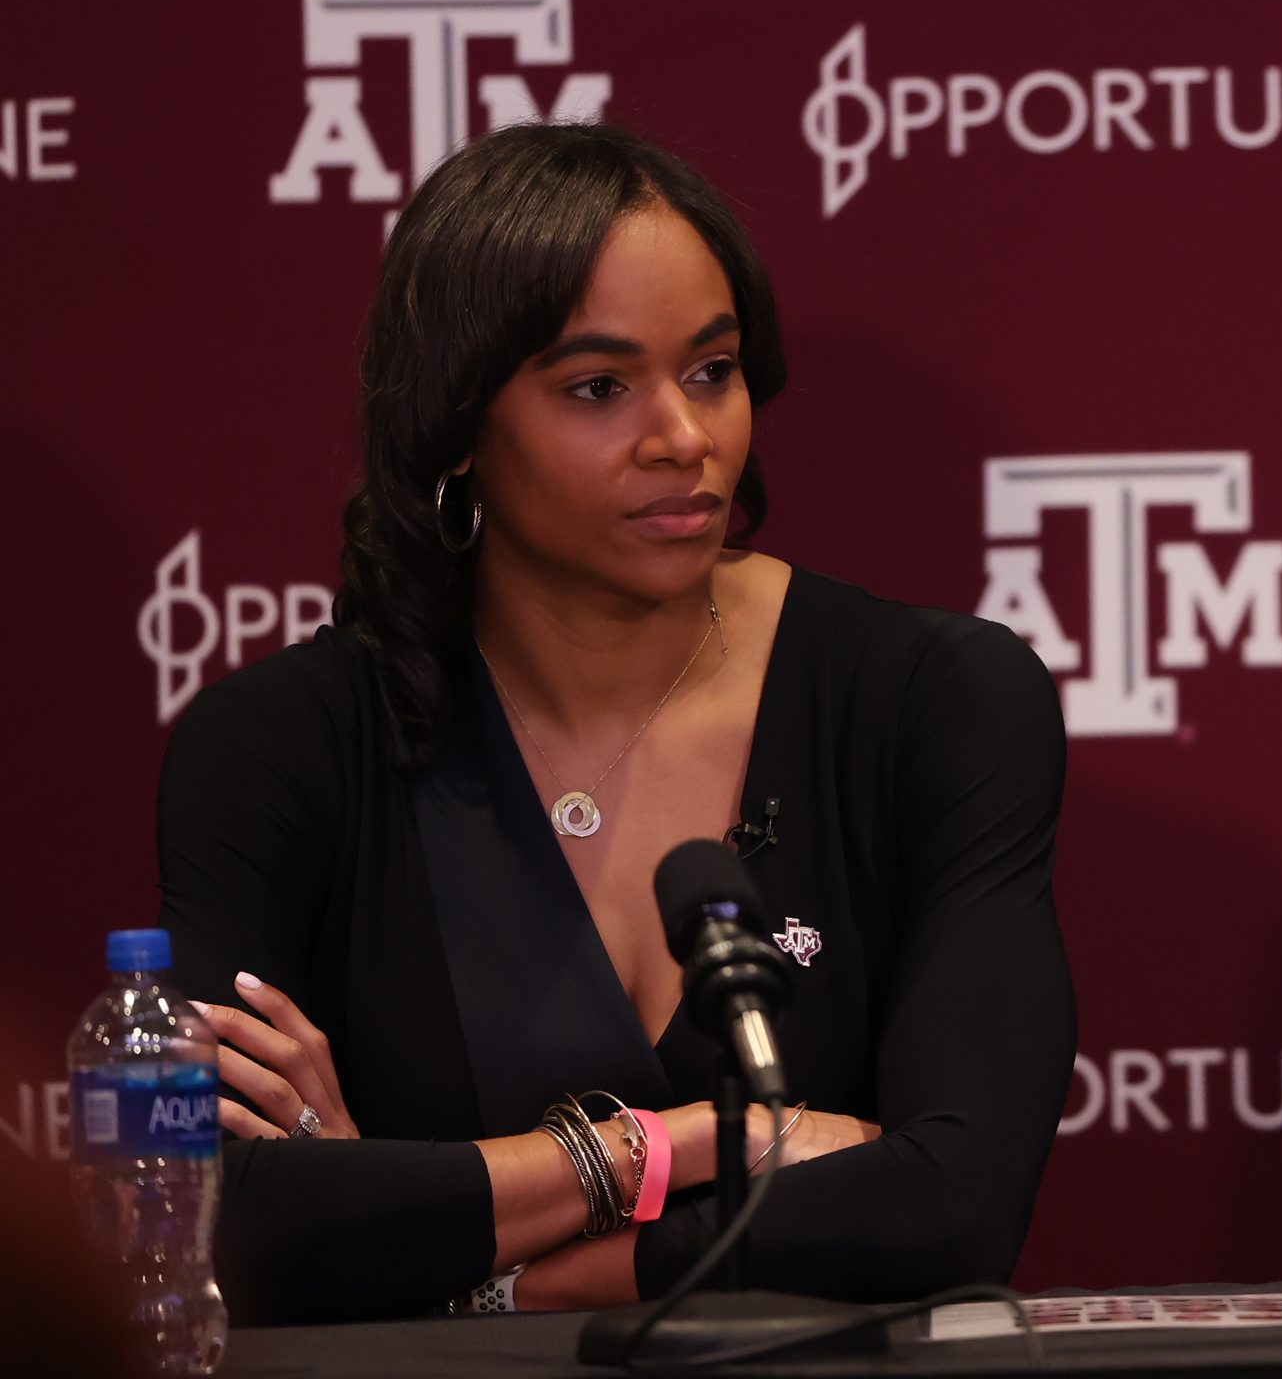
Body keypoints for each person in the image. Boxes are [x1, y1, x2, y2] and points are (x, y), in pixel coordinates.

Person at [156, 125, 1076, 1323]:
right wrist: (697, 1143)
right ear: (456, 425)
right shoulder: (283, 747)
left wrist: (474, 1271)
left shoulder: (935, 701)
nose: (684, 440)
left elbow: (946, 1208)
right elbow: (214, 1216)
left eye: (712, 370)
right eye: (599, 387)